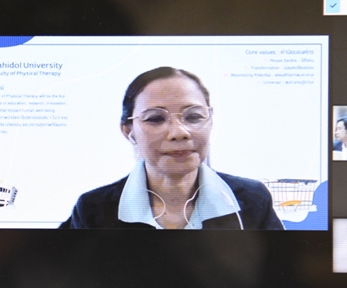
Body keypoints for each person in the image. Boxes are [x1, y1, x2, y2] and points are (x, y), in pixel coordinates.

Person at [61, 67, 283, 230]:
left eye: (194, 116)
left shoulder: (253, 200)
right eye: (155, 118)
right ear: (129, 131)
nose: (179, 132)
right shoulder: (93, 209)